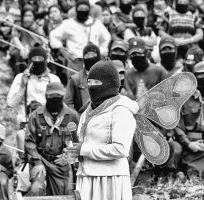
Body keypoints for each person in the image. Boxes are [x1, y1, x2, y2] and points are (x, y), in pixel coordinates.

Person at [66, 59, 139, 200]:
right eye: (89, 82)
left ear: (110, 84)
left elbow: (121, 149)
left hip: (110, 180)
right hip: (87, 177)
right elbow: (84, 143)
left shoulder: (121, 110)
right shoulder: (88, 111)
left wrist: (84, 149)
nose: (91, 86)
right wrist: (73, 150)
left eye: (96, 83)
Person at [25, 82, 80, 196]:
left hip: (61, 162)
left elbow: (78, 141)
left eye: (58, 97)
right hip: (41, 159)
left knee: (61, 195)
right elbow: (30, 142)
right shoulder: (36, 116)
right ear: (46, 96)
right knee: (37, 188)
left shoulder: (72, 116)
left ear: (63, 97)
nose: (55, 99)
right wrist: (37, 162)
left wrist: (68, 157)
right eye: (52, 97)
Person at [7, 44, 61, 150]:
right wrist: (22, 86)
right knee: (25, 160)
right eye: (34, 59)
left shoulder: (54, 79)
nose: (37, 61)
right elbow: (10, 103)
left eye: (40, 59)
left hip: (48, 127)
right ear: (29, 61)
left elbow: (60, 106)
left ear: (46, 60)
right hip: (26, 125)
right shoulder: (20, 78)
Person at [50, 0, 111, 76]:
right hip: (75, 62)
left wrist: (100, 52)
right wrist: (62, 50)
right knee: (75, 85)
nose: (83, 10)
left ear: (89, 9)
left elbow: (106, 37)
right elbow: (53, 35)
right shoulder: (68, 23)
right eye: (80, 8)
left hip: (93, 62)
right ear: (76, 9)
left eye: (85, 8)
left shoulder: (96, 23)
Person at [65, 43, 101, 114]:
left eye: (93, 54)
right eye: (87, 55)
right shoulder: (75, 79)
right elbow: (68, 102)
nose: (90, 57)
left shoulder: (106, 76)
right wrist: (77, 117)